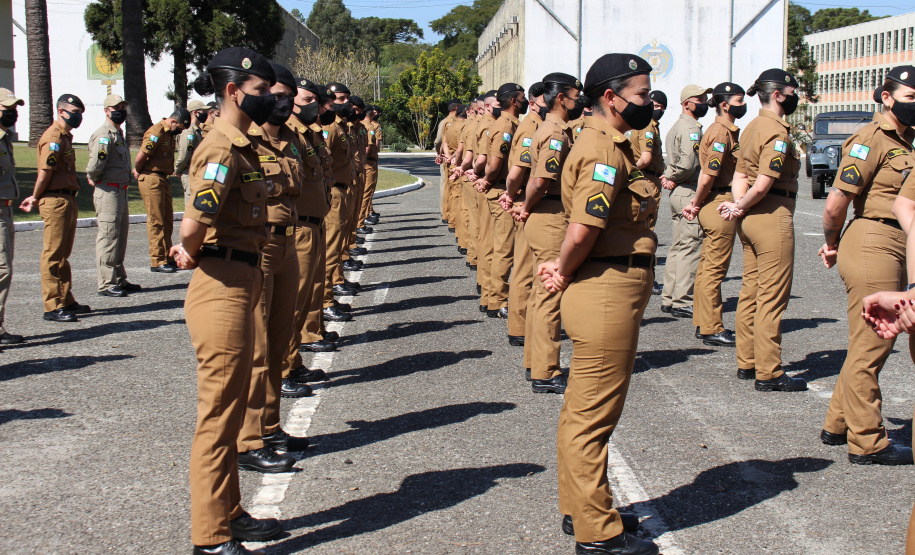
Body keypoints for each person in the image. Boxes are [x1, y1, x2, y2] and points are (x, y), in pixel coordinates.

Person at [538, 52, 660, 555]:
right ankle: (596, 531)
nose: (649, 102)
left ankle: (584, 506)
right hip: (606, 286)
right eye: (641, 94)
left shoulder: (612, 143)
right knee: (593, 415)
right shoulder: (604, 150)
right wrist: (562, 268)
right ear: (610, 97)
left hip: (608, 284)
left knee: (584, 412)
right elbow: (586, 226)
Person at [173, 46, 283, 555]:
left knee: (234, 412)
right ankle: (210, 536)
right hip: (220, 283)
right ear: (234, 91)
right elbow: (195, 222)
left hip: (242, 276)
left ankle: (230, 513)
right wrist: (184, 247)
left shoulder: (242, 144)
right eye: (260, 92)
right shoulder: (220, 146)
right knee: (218, 416)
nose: (268, 99)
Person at [817, 66, 915, 465]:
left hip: (895, 240)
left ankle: (838, 423)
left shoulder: (906, 140)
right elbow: (836, 201)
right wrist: (831, 242)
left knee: (865, 341)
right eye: (910, 97)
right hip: (874, 239)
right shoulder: (869, 138)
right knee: (875, 343)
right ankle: (868, 441)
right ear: (886, 97)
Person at [235, 62, 312, 475]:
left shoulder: (291, 141)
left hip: (290, 242)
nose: (280, 103)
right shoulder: (244, 141)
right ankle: (250, 438)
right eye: (275, 95)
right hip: (260, 244)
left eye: (287, 97)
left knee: (281, 341)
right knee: (259, 347)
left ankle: (270, 426)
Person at [717, 69, 808, 392]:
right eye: (793, 91)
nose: (797, 96)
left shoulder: (752, 127)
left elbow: (740, 174)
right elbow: (766, 181)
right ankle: (768, 371)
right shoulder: (776, 132)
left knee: (752, 292)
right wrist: (741, 205)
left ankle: (748, 361)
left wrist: (739, 204)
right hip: (772, 214)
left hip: (751, 216)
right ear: (780, 95)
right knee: (772, 296)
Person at [513, 72, 582, 394]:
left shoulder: (551, 129)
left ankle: (535, 362)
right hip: (551, 213)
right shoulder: (555, 133)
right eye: (574, 94)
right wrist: (526, 205)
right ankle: (545, 369)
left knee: (542, 293)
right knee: (551, 292)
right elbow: (540, 180)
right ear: (560, 98)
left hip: (546, 212)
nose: (579, 99)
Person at [682, 82, 746, 348]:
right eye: (739, 101)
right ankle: (711, 327)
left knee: (708, 266)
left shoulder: (723, 130)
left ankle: (703, 322)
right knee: (715, 270)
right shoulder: (721, 133)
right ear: (725, 105)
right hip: (719, 201)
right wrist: (695, 202)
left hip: (716, 199)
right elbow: (709, 175)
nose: (743, 106)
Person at [20, 94, 90, 323]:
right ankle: (52, 305)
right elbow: (45, 172)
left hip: (67, 199)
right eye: (73, 110)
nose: (77, 115)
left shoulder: (65, 137)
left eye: (80, 111)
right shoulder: (53, 137)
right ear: (61, 111)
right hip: (54, 200)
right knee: (52, 254)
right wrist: (35, 197)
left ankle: (66, 299)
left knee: (63, 254)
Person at [286, 77, 336, 366]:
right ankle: (288, 361)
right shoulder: (290, 134)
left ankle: (311, 332)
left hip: (316, 219)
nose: (312, 106)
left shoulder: (310, 133)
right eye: (306, 100)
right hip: (299, 224)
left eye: (312, 101)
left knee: (314, 285)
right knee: (296, 294)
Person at [501, 82, 546, 353]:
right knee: (525, 268)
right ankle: (519, 325)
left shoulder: (534, 126)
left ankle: (522, 322)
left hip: (533, 201)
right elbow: (518, 170)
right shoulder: (530, 128)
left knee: (527, 265)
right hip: (530, 203)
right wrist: (513, 196)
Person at [475, 83, 527, 319]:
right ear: (515, 102)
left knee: (497, 246)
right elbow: (495, 163)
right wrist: (486, 179)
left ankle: (490, 296)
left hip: (499, 190)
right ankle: (497, 300)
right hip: (500, 192)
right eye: (523, 98)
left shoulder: (506, 123)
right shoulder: (507, 125)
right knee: (505, 249)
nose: (525, 102)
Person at [659, 84, 711, 318]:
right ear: (687, 103)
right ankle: (683, 300)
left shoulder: (675, 127)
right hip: (688, 190)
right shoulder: (691, 129)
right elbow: (688, 164)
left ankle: (669, 298)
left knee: (678, 246)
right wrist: (670, 176)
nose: (704, 102)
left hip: (678, 192)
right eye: (699, 99)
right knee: (690, 247)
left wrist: (670, 176)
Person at [86, 93, 141, 298]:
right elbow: (94, 166)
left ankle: (119, 278)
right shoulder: (103, 135)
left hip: (120, 190)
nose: (121, 112)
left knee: (120, 236)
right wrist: (94, 178)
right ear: (106, 111)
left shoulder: (118, 133)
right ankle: (107, 282)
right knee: (108, 237)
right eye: (116, 108)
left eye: (123, 108)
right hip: (108, 191)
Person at [134, 108, 189, 273]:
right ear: (173, 122)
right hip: (151, 178)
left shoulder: (169, 133)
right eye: (179, 127)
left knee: (167, 220)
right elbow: (140, 157)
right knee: (156, 220)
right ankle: (157, 260)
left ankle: (167, 257)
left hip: (163, 178)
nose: (180, 131)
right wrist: (138, 171)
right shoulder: (156, 132)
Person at [322, 82, 358, 318]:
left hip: (343, 189)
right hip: (333, 191)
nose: (345, 103)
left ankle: (332, 290)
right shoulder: (331, 129)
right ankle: (325, 301)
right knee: (330, 247)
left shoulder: (343, 126)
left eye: (346, 99)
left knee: (337, 243)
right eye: (340, 99)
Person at [631, 89, 667, 295]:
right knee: (647, 229)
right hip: (648, 178)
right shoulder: (647, 126)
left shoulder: (649, 124)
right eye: (654, 106)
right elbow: (644, 158)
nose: (656, 111)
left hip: (651, 177)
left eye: (660, 108)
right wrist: (632, 174)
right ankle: (647, 276)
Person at [0, 88, 24, 342]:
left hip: (5, 208)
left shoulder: (4, 138)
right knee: (2, 268)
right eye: (7, 108)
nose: (12, 113)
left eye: (14, 108)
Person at [175, 100, 209, 206]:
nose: (205, 114)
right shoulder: (190, 131)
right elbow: (184, 154)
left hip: (196, 171)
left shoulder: (197, 130)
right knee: (191, 206)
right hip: (189, 172)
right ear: (195, 112)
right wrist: (178, 169)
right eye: (203, 111)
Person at [437, 100, 460, 224]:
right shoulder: (452, 122)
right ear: (457, 107)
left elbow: (441, 141)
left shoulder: (445, 121)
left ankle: (446, 213)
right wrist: (445, 155)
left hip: (447, 156)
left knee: (447, 186)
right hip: (452, 157)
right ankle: (448, 213)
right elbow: (439, 140)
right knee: (450, 187)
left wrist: (441, 154)